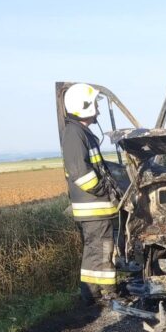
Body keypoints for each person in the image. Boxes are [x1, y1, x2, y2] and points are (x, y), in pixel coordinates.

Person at [61, 83, 121, 305]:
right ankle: (101, 293)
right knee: (101, 250)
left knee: (98, 250)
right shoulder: (75, 134)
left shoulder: (80, 132)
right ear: (84, 106)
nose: (98, 108)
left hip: (96, 208)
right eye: (95, 103)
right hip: (94, 207)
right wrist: (104, 190)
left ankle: (98, 292)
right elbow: (80, 173)